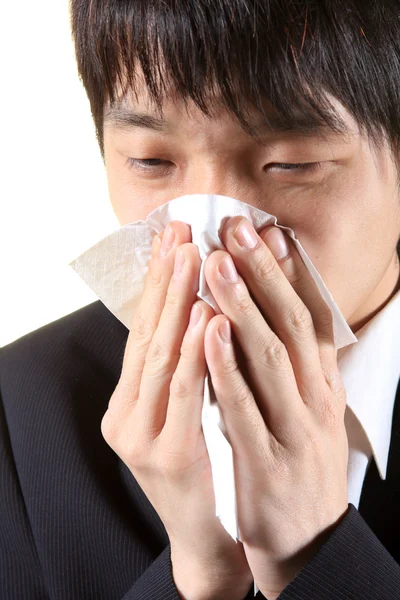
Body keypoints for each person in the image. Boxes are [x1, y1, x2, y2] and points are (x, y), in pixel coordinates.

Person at [1, 0, 400, 598]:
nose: (212, 239)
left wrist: (317, 551)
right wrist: (202, 576)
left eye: (290, 164)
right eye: (151, 161)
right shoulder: (21, 412)